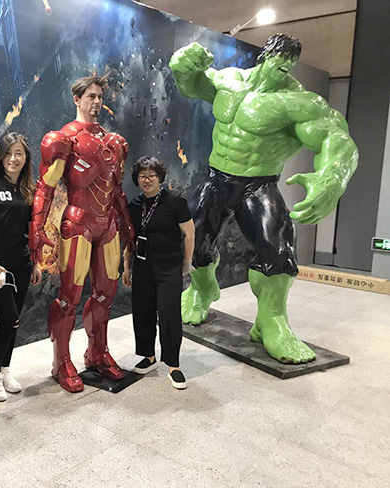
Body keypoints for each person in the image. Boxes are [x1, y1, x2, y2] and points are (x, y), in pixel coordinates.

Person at [169, 34, 358, 364]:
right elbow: (193, 84)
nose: (283, 69)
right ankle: (201, 289)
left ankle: (272, 321)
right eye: (279, 61)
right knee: (191, 238)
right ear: (265, 56)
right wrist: (182, 67)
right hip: (217, 178)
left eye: (289, 65)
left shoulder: (297, 101)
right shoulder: (230, 80)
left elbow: (335, 136)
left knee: (278, 245)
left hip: (258, 184)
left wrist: (332, 177)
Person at [29, 71, 136, 393]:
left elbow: (116, 191)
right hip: (77, 222)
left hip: (107, 224)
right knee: (69, 297)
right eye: (91, 96)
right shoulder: (64, 139)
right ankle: (61, 361)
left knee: (106, 293)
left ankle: (97, 352)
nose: (97, 102)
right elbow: (45, 188)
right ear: (77, 99)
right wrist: (37, 230)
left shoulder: (114, 142)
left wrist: (128, 225)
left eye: (100, 97)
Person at [0, 132, 42, 402]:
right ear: (1, 156)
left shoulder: (28, 190)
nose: (13, 159)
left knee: (15, 322)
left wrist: (34, 263)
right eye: (8, 153)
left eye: (19, 154)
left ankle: (4, 369)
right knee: (9, 319)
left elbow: (30, 231)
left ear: (26, 158)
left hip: (21, 264)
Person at [122, 157, 194, 389]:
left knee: (169, 314)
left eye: (152, 175)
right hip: (142, 267)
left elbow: (189, 234)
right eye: (142, 176)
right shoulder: (135, 205)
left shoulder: (175, 203)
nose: (147, 180)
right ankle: (148, 356)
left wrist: (187, 262)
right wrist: (127, 266)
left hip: (168, 267)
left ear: (160, 178)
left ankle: (173, 365)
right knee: (142, 312)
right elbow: (130, 239)